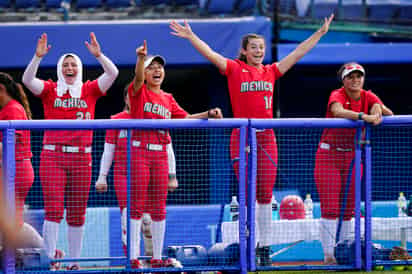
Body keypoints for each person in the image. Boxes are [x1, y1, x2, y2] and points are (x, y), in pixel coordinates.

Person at [169, 14, 334, 265]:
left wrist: (320, 33)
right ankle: (250, 244)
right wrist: (192, 36)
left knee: (265, 194)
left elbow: (298, 53)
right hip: (242, 137)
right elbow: (212, 54)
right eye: (253, 47)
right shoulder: (235, 69)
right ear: (244, 51)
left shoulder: (271, 71)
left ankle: (264, 248)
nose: (258, 51)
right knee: (247, 193)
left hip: (267, 138)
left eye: (261, 47)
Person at [22, 32, 119, 270]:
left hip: (81, 156)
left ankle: (75, 263)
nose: (69, 67)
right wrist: (37, 57)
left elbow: (113, 73)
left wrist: (98, 55)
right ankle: (49, 262)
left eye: (73, 63)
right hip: (52, 155)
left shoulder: (89, 90)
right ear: (58, 69)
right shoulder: (50, 90)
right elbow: (26, 80)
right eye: (65, 64)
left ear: (79, 68)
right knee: (54, 209)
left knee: (77, 211)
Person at [126, 40, 222, 269]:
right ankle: (133, 257)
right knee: (137, 206)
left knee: (159, 207)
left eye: (160, 67)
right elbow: (138, 79)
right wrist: (141, 59)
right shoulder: (139, 92)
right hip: (140, 151)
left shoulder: (168, 98)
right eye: (152, 67)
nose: (157, 70)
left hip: (160, 155)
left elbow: (185, 118)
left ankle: (157, 257)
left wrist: (207, 114)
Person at [314, 62, 393, 265]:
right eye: (351, 77)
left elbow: (388, 113)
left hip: (352, 156)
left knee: (350, 208)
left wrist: (376, 107)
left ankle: (345, 252)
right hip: (329, 155)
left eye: (359, 76)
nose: (355, 80)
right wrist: (363, 116)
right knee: (330, 208)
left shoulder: (368, 96)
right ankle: (329, 255)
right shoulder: (338, 94)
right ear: (344, 80)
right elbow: (338, 111)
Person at [95, 87, 179, 261]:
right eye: (130, 97)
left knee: (148, 219)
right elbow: (108, 150)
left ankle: (153, 258)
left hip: (148, 172)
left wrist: (172, 174)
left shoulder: (153, 117)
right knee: (129, 215)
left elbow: (167, 147)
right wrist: (102, 176)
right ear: (126, 99)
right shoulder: (117, 120)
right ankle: (132, 260)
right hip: (123, 174)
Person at [0, 72, 43, 250]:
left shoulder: (13, 109)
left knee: (12, 220)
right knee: (11, 218)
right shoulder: (7, 108)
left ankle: (47, 252)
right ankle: (47, 253)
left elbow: (10, 142)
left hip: (17, 169)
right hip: (12, 168)